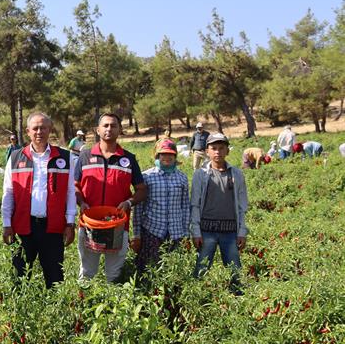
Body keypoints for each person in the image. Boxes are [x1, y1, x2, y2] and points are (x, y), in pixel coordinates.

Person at [1, 112, 77, 288]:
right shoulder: (15, 158)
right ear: (28, 131)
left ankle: (56, 313)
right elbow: (8, 192)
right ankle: (18, 312)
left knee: (55, 276)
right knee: (19, 276)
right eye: (35, 128)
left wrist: (70, 223)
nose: (39, 132)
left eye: (43, 127)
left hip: (53, 227)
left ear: (49, 129)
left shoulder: (65, 158)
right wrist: (6, 224)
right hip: (22, 226)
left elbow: (70, 192)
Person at [74, 113, 147, 283]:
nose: (109, 129)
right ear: (97, 130)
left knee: (114, 275)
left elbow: (142, 190)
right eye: (105, 125)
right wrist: (81, 202)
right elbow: (74, 186)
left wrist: (129, 202)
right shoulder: (85, 156)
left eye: (113, 125)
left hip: (118, 225)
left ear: (119, 130)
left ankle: (112, 307)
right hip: (90, 224)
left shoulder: (128, 159)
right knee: (86, 272)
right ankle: (83, 307)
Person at [191, 133, 249, 290]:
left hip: (230, 232)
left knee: (235, 271)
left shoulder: (236, 174)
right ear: (207, 151)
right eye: (214, 148)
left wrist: (242, 232)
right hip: (206, 231)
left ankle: (238, 301)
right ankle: (197, 299)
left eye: (221, 148)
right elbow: (195, 204)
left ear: (227, 151)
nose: (217, 152)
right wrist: (196, 232)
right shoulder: (200, 174)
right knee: (201, 270)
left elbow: (242, 205)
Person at [131, 139, 189, 277]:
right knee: (149, 269)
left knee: (174, 271)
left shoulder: (182, 178)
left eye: (171, 154)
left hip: (176, 232)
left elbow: (185, 206)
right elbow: (138, 209)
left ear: (175, 156)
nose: (167, 157)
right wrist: (137, 234)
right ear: (157, 156)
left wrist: (186, 234)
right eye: (163, 154)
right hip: (152, 230)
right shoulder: (147, 176)